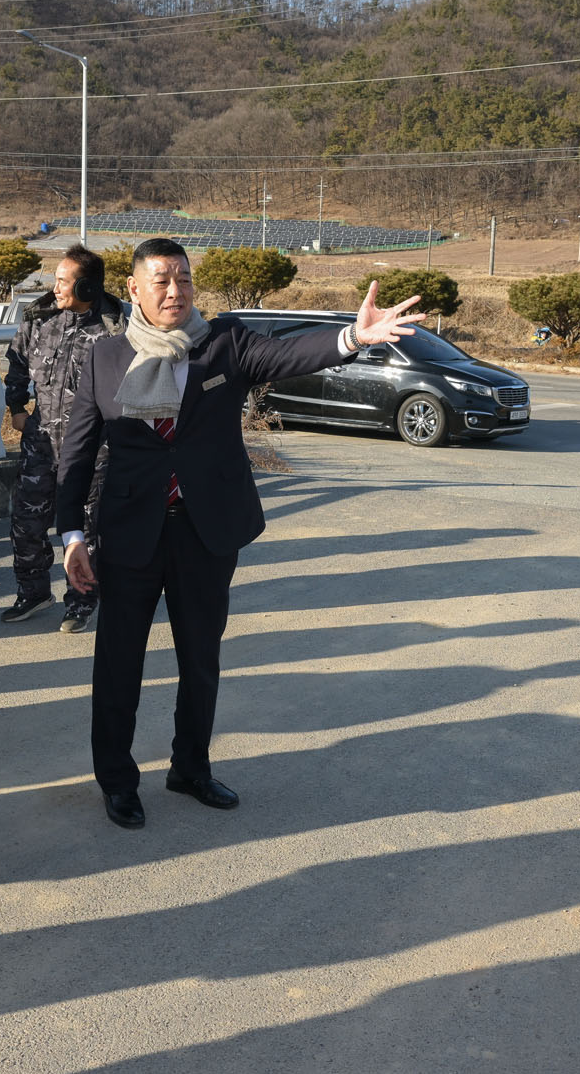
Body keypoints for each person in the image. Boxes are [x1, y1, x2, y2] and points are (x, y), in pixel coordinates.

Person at [58, 237, 420, 829]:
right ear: (134, 289)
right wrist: (71, 535)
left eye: (183, 278)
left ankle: (190, 768)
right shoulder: (105, 356)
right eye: (161, 280)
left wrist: (353, 338)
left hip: (204, 531)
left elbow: (290, 354)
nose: (175, 291)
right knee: (118, 665)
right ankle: (117, 780)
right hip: (128, 533)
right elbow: (76, 452)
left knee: (201, 659)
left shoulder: (225, 342)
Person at [1, 244, 123, 633]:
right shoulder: (40, 320)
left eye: (62, 281)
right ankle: (33, 592)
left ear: (87, 287)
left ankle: (81, 601)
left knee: (86, 529)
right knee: (26, 522)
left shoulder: (114, 332)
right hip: (40, 442)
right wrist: (17, 407)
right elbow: (17, 361)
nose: (54, 288)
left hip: (90, 448)